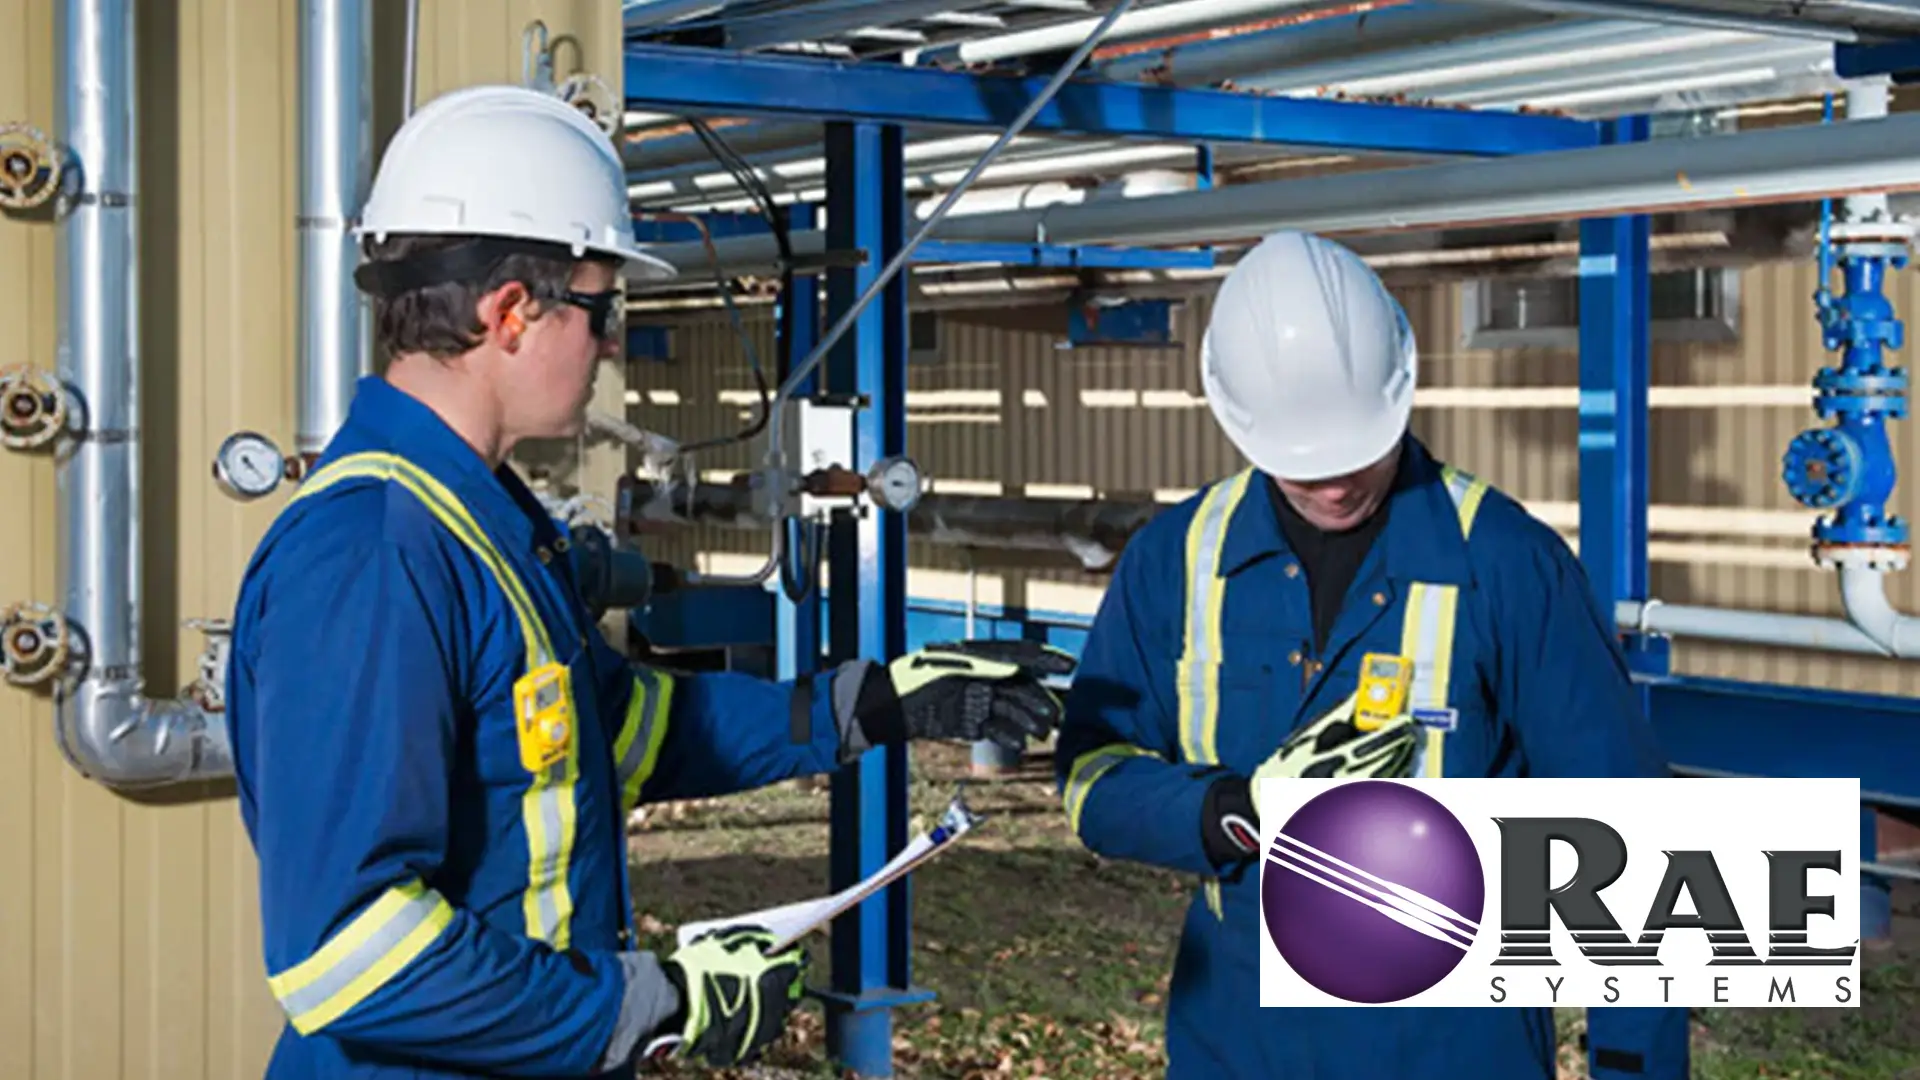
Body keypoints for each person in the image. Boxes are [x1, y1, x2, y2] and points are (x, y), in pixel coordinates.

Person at [225, 84, 1074, 1080]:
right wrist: (660, 999)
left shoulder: (481, 520)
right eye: (601, 308)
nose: (611, 342)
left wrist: (866, 705)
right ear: (511, 313)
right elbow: (346, 955)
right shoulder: (376, 553)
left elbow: (618, 731)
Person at [1053, 230, 1690, 1079]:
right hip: (1239, 1045)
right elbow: (1091, 779)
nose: (1334, 483)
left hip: (1453, 1053)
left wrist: (1634, 1067)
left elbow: (1632, 837)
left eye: (1356, 450)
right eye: (1302, 463)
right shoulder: (1175, 560)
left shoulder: (1506, 562)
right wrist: (1230, 812)